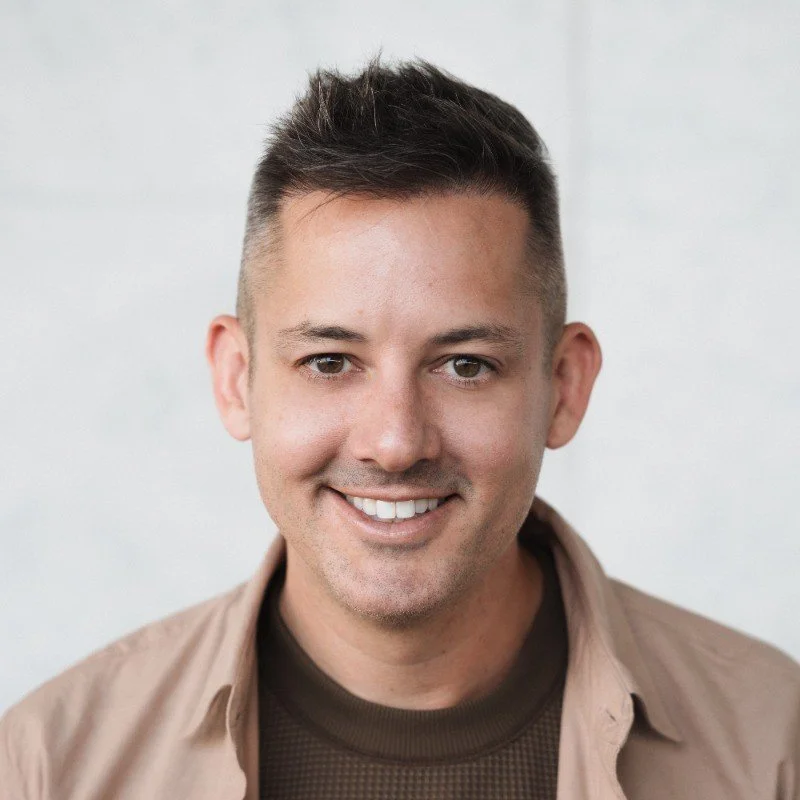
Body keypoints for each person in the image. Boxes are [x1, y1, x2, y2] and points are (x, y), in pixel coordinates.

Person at [1, 58, 798, 800]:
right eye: (328, 361)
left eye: (465, 365)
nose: (394, 443)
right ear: (237, 379)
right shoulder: (52, 766)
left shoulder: (773, 749)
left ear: (563, 387)